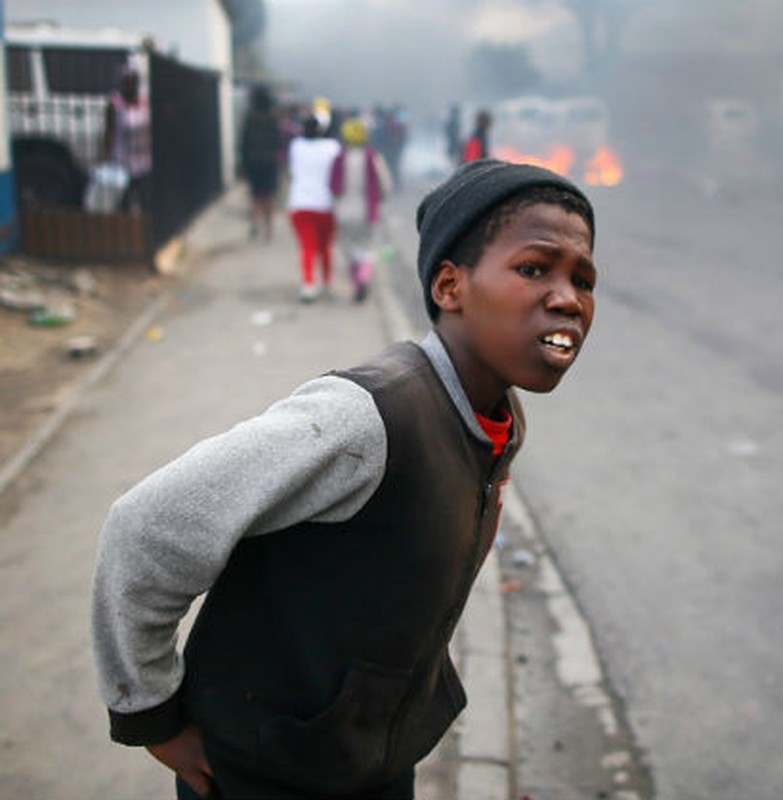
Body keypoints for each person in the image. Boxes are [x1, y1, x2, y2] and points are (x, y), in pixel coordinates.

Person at [90, 158, 598, 799]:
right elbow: (146, 529)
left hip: (371, 760)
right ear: (449, 287)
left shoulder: (496, 416)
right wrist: (151, 716)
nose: (568, 298)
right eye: (534, 269)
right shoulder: (366, 418)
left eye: (583, 279)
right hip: (265, 770)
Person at [330, 117, 394, 303]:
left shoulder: (339, 158)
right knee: (366, 250)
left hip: (344, 212)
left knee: (349, 251)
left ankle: (356, 286)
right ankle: (363, 279)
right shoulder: (373, 157)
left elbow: (333, 187)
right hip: (367, 212)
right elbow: (385, 185)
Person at [286, 115, 342, 302]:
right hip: (326, 205)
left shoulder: (295, 145)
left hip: (300, 203)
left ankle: (308, 285)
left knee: (307, 248)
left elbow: (292, 171)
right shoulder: (333, 147)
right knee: (325, 247)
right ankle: (326, 282)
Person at [100, 63, 152, 213]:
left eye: (133, 81)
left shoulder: (144, 102)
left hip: (144, 160)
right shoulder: (115, 104)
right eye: (126, 81)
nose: (130, 85)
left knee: (146, 200)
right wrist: (105, 154)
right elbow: (108, 131)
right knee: (123, 202)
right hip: (122, 160)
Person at [239, 84, 285, 241]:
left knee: (255, 196)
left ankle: (255, 223)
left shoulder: (250, 119)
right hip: (270, 162)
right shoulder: (273, 119)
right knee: (269, 197)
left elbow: (243, 144)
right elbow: (279, 142)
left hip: (253, 162)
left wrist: (243, 165)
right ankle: (269, 230)